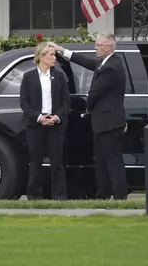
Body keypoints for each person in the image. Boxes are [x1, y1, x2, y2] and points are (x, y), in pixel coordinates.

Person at [54, 33, 128, 200]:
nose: (95, 48)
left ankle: (120, 197)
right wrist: (62, 51)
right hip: (101, 124)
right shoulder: (105, 63)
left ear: (109, 48)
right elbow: (85, 62)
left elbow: (95, 93)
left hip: (109, 123)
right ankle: (102, 196)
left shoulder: (112, 67)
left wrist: (85, 106)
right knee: (101, 163)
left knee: (113, 163)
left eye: (98, 45)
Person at [20, 42, 70, 200]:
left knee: (57, 160)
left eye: (54, 55)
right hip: (35, 125)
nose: (54, 58)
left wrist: (57, 117)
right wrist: (38, 117)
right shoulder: (28, 77)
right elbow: (24, 102)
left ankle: (59, 195)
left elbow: (66, 101)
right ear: (41, 56)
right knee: (36, 161)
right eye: (51, 55)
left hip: (55, 124)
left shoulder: (59, 76)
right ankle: (34, 195)